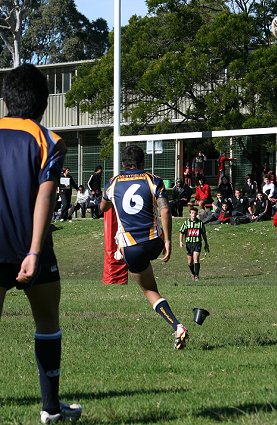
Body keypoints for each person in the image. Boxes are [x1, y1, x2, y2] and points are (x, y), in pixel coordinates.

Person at [0, 64, 82, 423]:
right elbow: (45, 199)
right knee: (47, 322)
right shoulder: (48, 140)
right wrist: (33, 251)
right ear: (44, 103)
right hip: (32, 249)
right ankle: (50, 408)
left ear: (5, 99)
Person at [100, 145, 188, 349]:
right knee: (131, 245)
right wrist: (167, 241)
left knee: (150, 290)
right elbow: (165, 210)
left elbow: (102, 207)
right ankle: (120, 249)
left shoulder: (113, 183)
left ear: (123, 164)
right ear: (143, 163)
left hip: (133, 249)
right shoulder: (152, 179)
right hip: (154, 242)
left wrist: (111, 200)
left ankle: (177, 326)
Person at [179, 207, 209, 281]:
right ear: (190, 214)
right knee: (190, 262)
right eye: (192, 213)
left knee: (196, 259)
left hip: (197, 243)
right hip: (189, 244)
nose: (194, 215)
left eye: (195, 213)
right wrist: (180, 241)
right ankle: (193, 273)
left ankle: (196, 276)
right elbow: (181, 232)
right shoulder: (186, 223)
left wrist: (206, 243)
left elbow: (203, 234)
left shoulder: (200, 223)